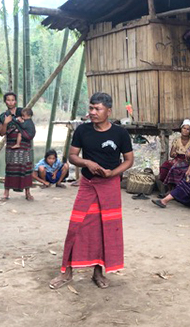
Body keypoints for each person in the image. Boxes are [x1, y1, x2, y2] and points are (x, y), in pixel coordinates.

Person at [49, 92, 134, 290]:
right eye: (91, 108)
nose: (93, 112)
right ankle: (66, 272)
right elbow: (72, 156)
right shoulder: (82, 131)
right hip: (87, 183)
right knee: (76, 226)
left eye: (98, 109)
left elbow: (129, 160)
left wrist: (113, 172)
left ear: (109, 111)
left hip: (110, 185)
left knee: (105, 228)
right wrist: (87, 162)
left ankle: (98, 272)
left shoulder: (120, 133)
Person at [0, 92, 35, 202]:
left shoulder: (22, 112)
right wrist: (5, 123)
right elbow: (1, 133)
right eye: (8, 100)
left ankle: (28, 192)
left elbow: (29, 125)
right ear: (5, 102)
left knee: (26, 167)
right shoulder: (3, 116)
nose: (10, 102)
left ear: (15, 101)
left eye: (12, 100)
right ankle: (6, 193)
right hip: (11, 144)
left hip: (24, 144)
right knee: (10, 168)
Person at [158, 119, 190, 192]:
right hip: (177, 158)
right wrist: (174, 154)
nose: (185, 130)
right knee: (165, 166)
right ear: (181, 129)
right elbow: (171, 154)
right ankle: (169, 189)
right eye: (184, 128)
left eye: (188, 129)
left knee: (175, 169)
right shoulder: (176, 140)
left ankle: (174, 191)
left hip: (187, 161)